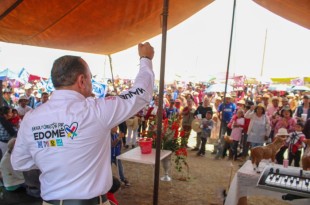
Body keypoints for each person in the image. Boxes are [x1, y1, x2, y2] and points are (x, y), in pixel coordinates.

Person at [11, 42, 154, 204]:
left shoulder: (31, 118)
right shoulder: (96, 110)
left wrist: (54, 153)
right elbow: (141, 93)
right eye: (90, 78)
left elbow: (19, 162)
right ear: (81, 80)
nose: (92, 83)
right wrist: (146, 58)